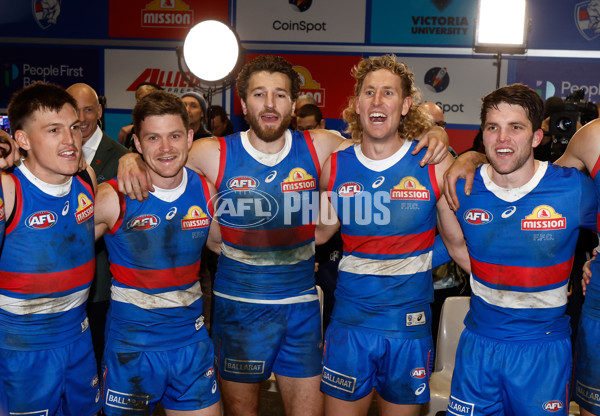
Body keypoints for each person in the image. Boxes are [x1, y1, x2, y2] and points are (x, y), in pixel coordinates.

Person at [116, 54, 450, 416]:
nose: (270, 104)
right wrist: (129, 159)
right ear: (244, 103)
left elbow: (382, 149)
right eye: (259, 94)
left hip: (300, 308)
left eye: (280, 95)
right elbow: (163, 154)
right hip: (237, 306)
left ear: (294, 104)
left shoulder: (322, 146)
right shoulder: (210, 152)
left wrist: (440, 135)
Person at [315, 55, 469, 416]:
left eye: (388, 92)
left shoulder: (433, 161)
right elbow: (319, 233)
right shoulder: (335, 166)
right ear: (357, 104)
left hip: (409, 328)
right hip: (349, 325)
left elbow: (458, 242)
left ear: (405, 105)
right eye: (370, 92)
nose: (378, 101)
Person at [443, 84, 599, 416]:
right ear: (482, 136)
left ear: (536, 137)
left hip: (543, 350)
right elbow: (456, 247)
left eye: (516, 127)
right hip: (478, 346)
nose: (503, 138)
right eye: (492, 128)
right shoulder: (460, 188)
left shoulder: (573, 189)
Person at [95, 90, 221, 415]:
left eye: (174, 136)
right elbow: (54, 247)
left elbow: (229, 246)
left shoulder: (207, 191)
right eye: (153, 137)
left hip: (191, 344)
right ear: (137, 143)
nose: (166, 148)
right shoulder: (112, 197)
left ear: (190, 136)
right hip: (131, 349)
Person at [0, 82, 100, 415]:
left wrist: (130, 159)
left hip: (78, 336)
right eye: (53, 130)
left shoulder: (87, 180)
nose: (70, 140)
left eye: (73, 128)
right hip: (21, 346)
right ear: (23, 139)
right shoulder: (9, 190)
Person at [66, 82, 129, 376]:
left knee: (102, 363)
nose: (81, 117)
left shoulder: (123, 158)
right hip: (61, 285)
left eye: (88, 109)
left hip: (104, 283)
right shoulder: (50, 155)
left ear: (100, 111)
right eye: (74, 110)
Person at [119, 82, 163, 148]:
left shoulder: (165, 117)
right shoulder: (134, 124)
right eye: (139, 99)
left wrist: (133, 128)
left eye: (148, 98)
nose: (143, 103)